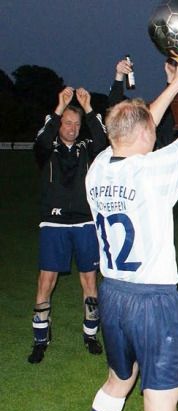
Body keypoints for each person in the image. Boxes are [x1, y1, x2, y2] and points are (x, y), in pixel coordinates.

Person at [86, 60, 178, 411]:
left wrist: (175, 85)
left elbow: (143, 124)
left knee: (118, 382)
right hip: (153, 303)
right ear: (145, 132)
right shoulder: (152, 171)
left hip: (112, 295)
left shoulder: (97, 167)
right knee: (161, 409)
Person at [28, 87, 108, 364]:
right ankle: (40, 339)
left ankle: (91, 334)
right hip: (53, 223)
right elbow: (41, 139)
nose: (72, 128)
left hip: (85, 222)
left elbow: (103, 140)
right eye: (67, 123)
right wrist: (59, 107)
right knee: (46, 281)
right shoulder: (47, 149)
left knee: (89, 280)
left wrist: (88, 108)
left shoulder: (87, 149)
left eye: (76, 124)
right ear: (60, 124)